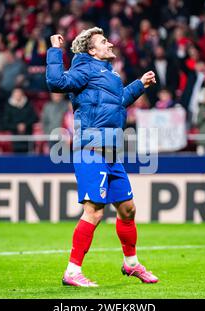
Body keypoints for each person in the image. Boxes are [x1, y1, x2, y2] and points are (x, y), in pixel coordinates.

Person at [46, 28, 158, 287]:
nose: (110, 44)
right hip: (90, 150)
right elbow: (56, 83)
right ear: (92, 51)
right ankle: (72, 271)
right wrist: (54, 51)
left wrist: (140, 85)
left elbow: (118, 102)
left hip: (111, 152)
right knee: (94, 212)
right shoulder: (84, 68)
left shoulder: (111, 75)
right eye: (103, 42)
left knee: (128, 210)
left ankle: (131, 264)